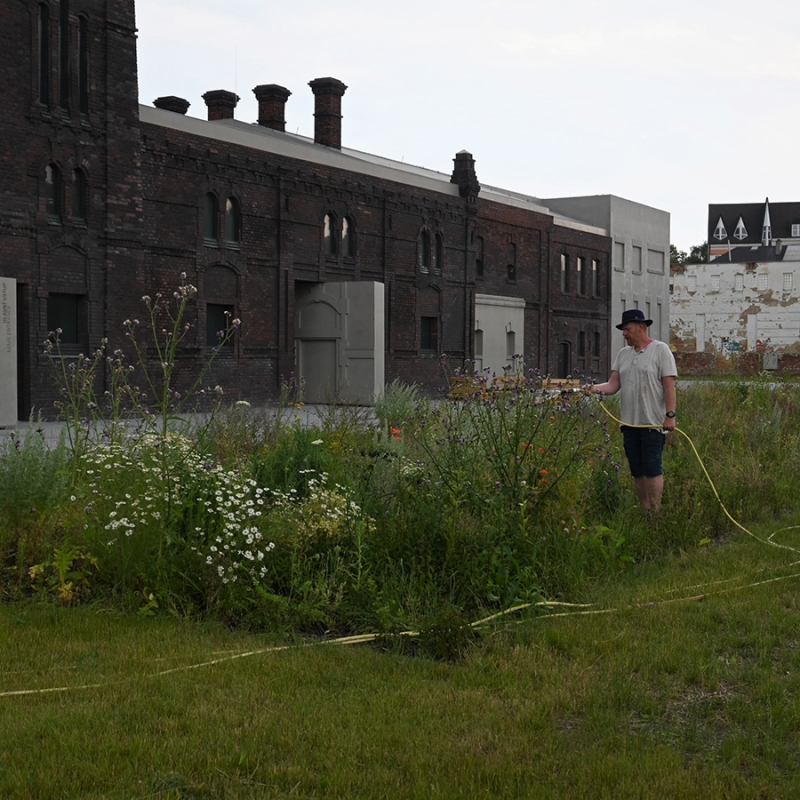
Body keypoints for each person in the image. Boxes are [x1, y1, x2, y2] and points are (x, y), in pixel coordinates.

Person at [587, 309, 677, 513]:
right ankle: (645, 510)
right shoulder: (623, 354)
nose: (624, 334)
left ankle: (655, 513)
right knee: (637, 470)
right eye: (623, 330)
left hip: (653, 423)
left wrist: (670, 415)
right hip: (629, 424)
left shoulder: (661, 350)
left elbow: (669, 386)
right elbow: (612, 385)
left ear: (641, 328)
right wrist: (592, 388)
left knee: (652, 469)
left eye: (627, 329)